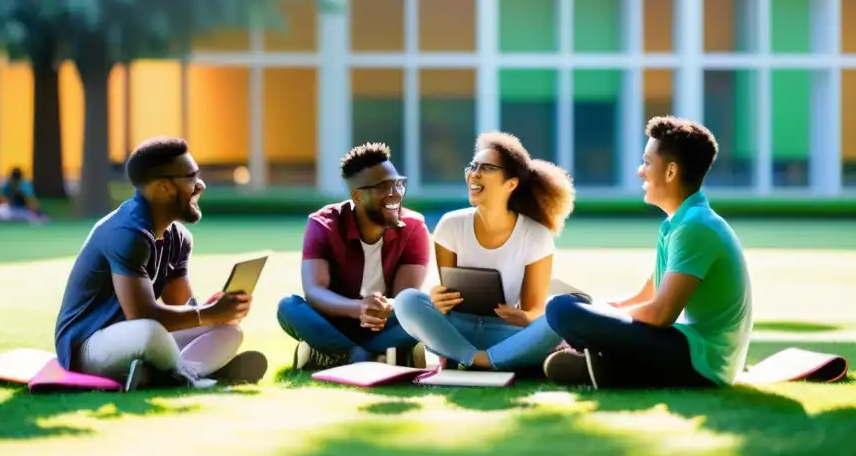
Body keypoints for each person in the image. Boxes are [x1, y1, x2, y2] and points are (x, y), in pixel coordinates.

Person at [543, 116, 754, 390]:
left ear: (670, 172)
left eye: (647, 162)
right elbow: (646, 297)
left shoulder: (695, 227)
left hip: (704, 363)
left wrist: (595, 319)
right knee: (569, 305)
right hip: (691, 352)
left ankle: (608, 363)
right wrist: (601, 310)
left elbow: (660, 314)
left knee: (561, 310)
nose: (640, 171)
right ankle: (610, 368)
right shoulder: (679, 222)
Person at [53, 137, 267, 391]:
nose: (200, 185)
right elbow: (142, 315)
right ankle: (188, 376)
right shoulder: (127, 233)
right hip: (87, 346)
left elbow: (183, 307)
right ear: (163, 188)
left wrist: (217, 311)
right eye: (191, 177)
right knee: (149, 333)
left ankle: (163, 375)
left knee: (230, 331)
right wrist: (208, 314)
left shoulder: (178, 238)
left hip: (138, 339)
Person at [393, 132, 574, 373]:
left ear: (511, 183)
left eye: (487, 168)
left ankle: (481, 359)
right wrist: (438, 300)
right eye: (472, 166)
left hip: (505, 332)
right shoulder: (450, 224)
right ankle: (488, 359)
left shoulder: (536, 235)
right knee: (407, 300)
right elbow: (447, 296)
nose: (474, 173)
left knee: (564, 310)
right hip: (457, 329)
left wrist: (522, 317)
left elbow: (534, 312)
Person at [277, 143, 431, 371]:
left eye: (398, 184)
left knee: (431, 311)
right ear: (357, 196)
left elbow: (405, 297)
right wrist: (358, 308)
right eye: (383, 187)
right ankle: (368, 355)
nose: (395, 193)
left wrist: (384, 307)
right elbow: (315, 291)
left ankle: (337, 354)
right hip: (334, 321)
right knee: (289, 306)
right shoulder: (322, 224)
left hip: (384, 322)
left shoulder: (413, 226)